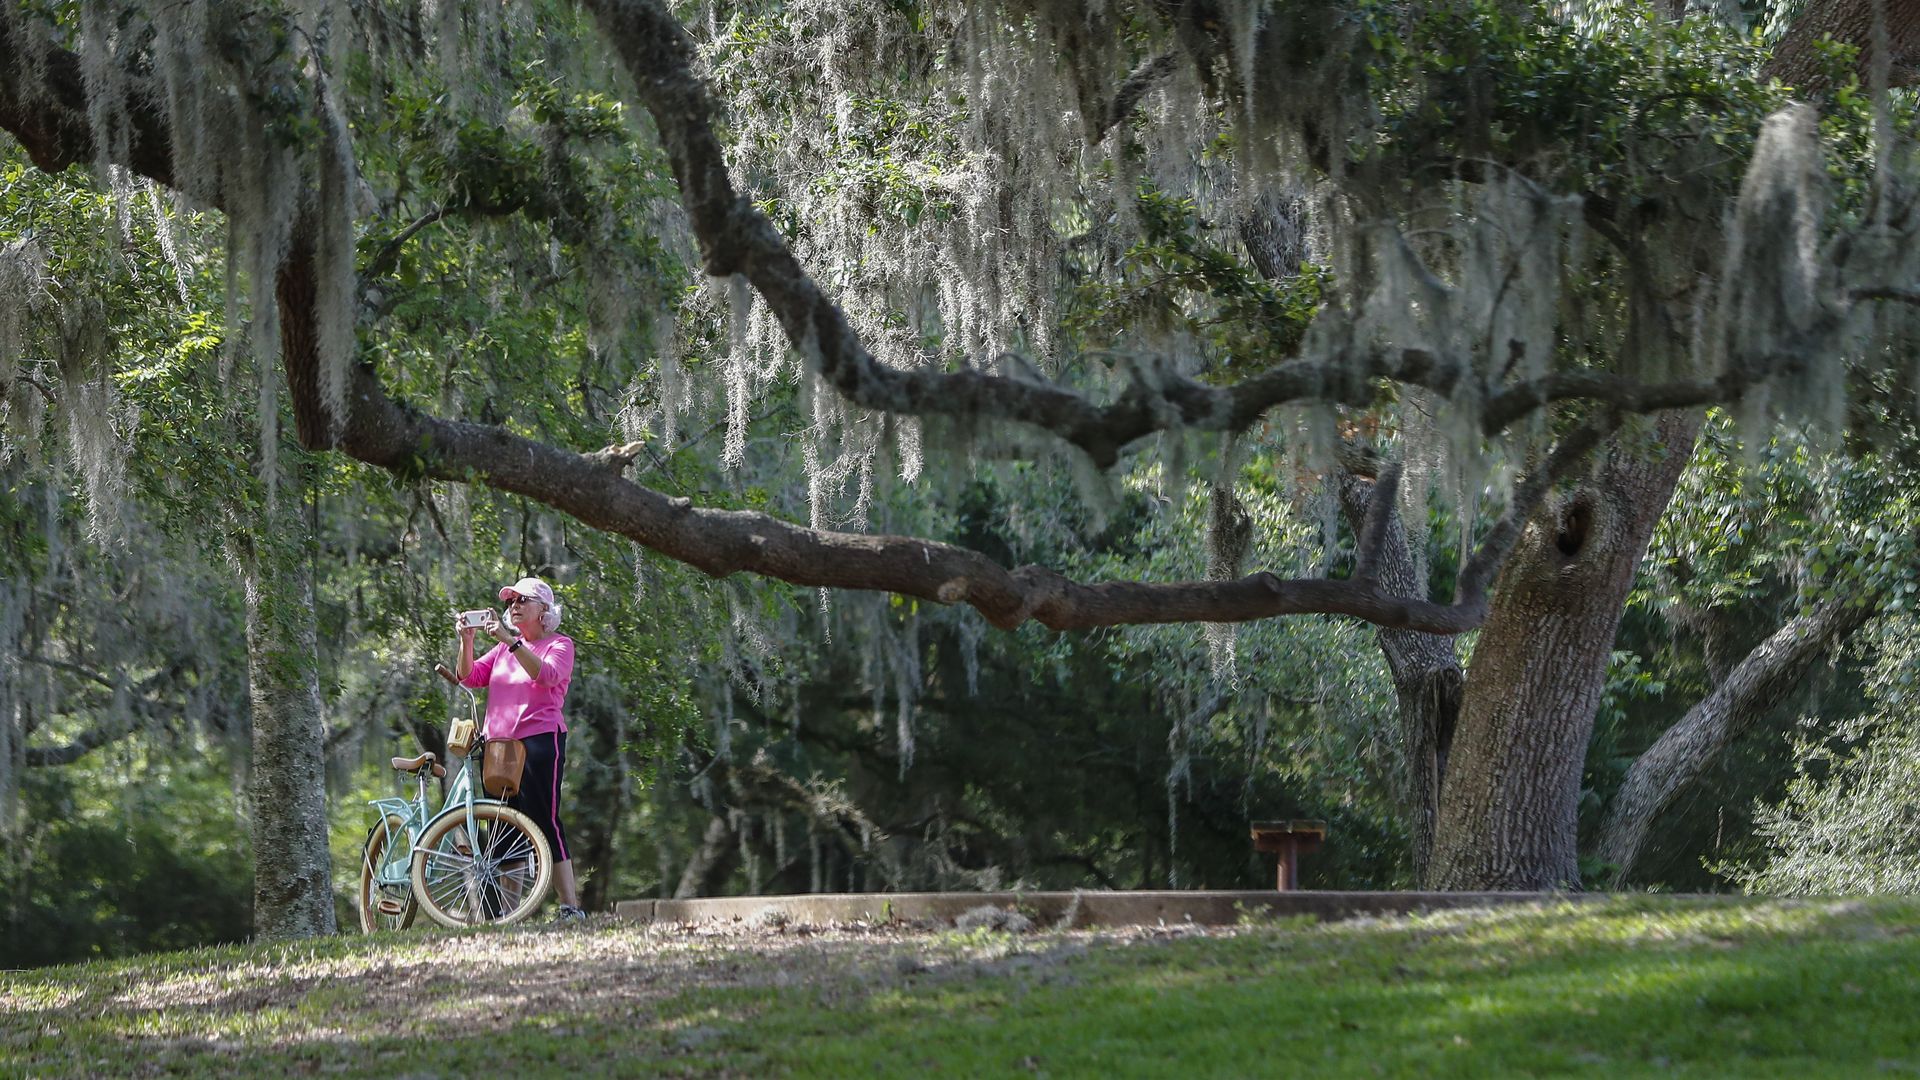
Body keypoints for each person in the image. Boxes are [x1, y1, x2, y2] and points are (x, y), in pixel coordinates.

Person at [454, 575, 586, 924]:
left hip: (540, 741)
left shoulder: (560, 644)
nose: (514, 606)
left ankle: (571, 907)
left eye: (522, 600)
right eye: (511, 601)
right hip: (499, 747)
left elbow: (545, 675)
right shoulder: (501, 648)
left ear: (544, 610)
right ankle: (509, 915)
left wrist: (507, 640)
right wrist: (466, 641)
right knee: (504, 827)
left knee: (545, 821)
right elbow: (468, 677)